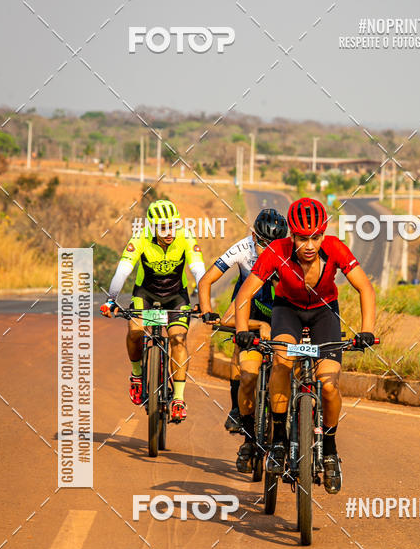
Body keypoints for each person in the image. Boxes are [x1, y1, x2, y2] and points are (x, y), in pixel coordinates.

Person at [234, 197, 376, 493]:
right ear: (292, 235)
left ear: (324, 234)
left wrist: (367, 331)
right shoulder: (277, 251)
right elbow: (245, 293)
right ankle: (278, 443)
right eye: (302, 238)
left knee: (328, 384)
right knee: (281, 364)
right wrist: (241, 331)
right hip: (288, 311)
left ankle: (331, 449)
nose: (309, 245)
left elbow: (365, 288)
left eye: (316, 237)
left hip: (325, 311)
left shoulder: (336, 249)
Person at [198, 208, 288, 471]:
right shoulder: (243, 248)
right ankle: (249, 438)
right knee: (247, 375)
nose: (268, 249)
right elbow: (206, 281)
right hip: (248, 315)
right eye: (262, 243)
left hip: (282, 319)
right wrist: (206, 311)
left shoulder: (289, 254)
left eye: (274, 244)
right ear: (252, 236)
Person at [100, 199, 205, 422]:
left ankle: (178, 398)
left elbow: (199, 270)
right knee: (136, 329)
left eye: (173, 225)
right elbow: (123, 271)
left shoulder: (185, 237)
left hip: (176, 296)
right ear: (152, 227)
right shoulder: (140, 238)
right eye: (163, 227)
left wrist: (205, 303)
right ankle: (137, 375)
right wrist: (111, 300)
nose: (169, 232)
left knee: (178, 338)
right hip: (145, 295)